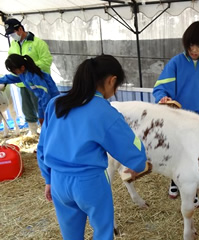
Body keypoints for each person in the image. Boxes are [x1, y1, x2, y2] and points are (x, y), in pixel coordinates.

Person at [37, 55, 147, 240]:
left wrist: (48, 178)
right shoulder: (105, 111)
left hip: (58, 181)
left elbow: (42, 147)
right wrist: (137, 165)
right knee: (103, 233)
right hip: (89, 183)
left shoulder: (55, 103)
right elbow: (134, 151)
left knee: (70, 235)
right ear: (111, 80)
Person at [152, 21, 199, 205]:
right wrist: (163, 98)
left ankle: (192, 188)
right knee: (178, 153)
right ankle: (175, 182)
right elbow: (160, 88)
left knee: (195, 155)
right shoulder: (176, 63)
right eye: (191, 45)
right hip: (178, 118)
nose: (194, 49)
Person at [4, 18, 53, 134]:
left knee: (40, 106)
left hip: (37, 81)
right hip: (22, 82)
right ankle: (32, 130)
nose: (11, 36)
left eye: (12, 33)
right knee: (26, 107)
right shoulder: (13, 45)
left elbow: (47, 61)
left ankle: (45, 129)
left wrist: (29, 68)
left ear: (20, 29)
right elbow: (11, 63)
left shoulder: (37, 43)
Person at [0, 54, 59, 126]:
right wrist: (41, 115)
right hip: (42, 100)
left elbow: (45, 94)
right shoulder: (23, 74)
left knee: (51, 123)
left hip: (52, 102)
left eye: (14, 70)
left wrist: (44, 112)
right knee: (43, 121)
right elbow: (10, 78)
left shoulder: (34, 76)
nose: (14, 73)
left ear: (22, 67)